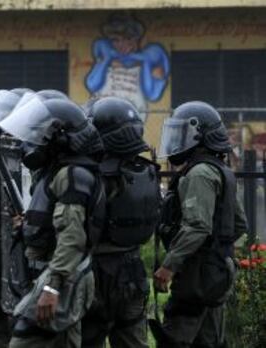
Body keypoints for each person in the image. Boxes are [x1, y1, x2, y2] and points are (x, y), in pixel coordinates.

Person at [0, 94, 106, 348]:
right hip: (65, 274)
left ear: (60, 138)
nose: (33, 143)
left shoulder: (71, 174)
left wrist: (52, 287)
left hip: (64, 277)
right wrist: (28, 227)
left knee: (24, 340)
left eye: (40, 136)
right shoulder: (61, 171)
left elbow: (72, 236)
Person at [153, 101, 248, 348]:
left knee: (175, 339)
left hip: (196, 275)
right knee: (209, 342)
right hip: (217, 273)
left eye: (182, 133)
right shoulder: (222, 170)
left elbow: (197, 227)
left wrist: (169, 266)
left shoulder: (199, 174)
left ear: (199, 136)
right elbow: (239, 224)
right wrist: (219, 252)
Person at [81, 97, 161, 348]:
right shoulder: (146, 171)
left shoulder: (92, 175)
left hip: (96, 271)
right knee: (133, 341)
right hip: (133, 269)